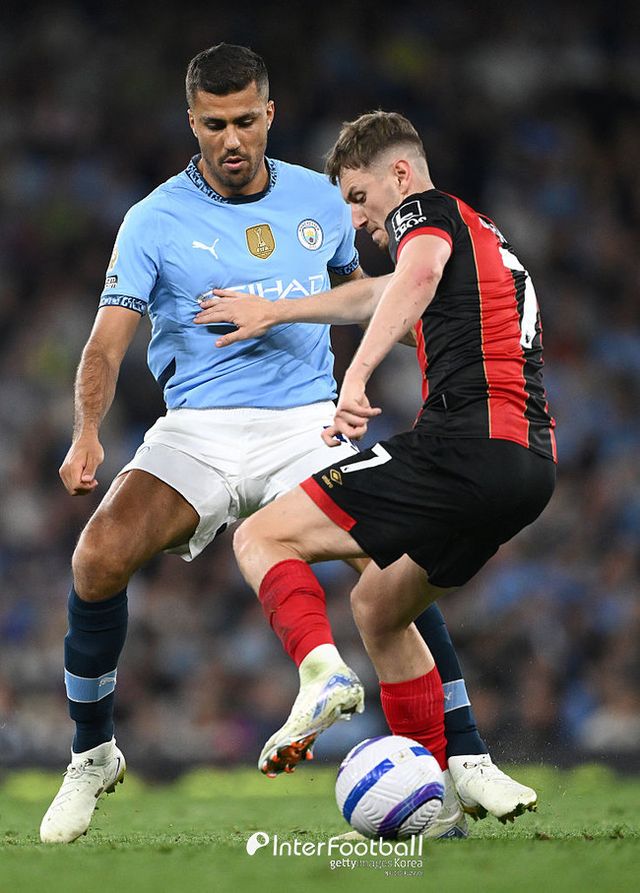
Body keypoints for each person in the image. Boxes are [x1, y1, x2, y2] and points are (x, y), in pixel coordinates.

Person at [40, 46, 532, 845]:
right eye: (213, 125)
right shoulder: (153, 219)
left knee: (389, 563)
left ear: (269, 114)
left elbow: (367, 295)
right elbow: (105, 342)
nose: (231, 139)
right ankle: (93, 755)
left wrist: (392, 360)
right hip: (198, 426)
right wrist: (87, 430)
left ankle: (464, 755)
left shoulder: (320, 198)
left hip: (305, 419)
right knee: (97, 557)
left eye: (245, 120)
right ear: (192, 123)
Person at [198, 110, 557, 832]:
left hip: (463, 445)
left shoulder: (425, 209)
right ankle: (454, 780)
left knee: (261, 536)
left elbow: (414, 276)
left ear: (399, 174)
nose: (358, 221)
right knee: (379, 607)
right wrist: (276, 312)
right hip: (527, 468)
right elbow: (381, 293)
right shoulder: (481, 234)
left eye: (359, 198)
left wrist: (356, 377)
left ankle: (321, 673)